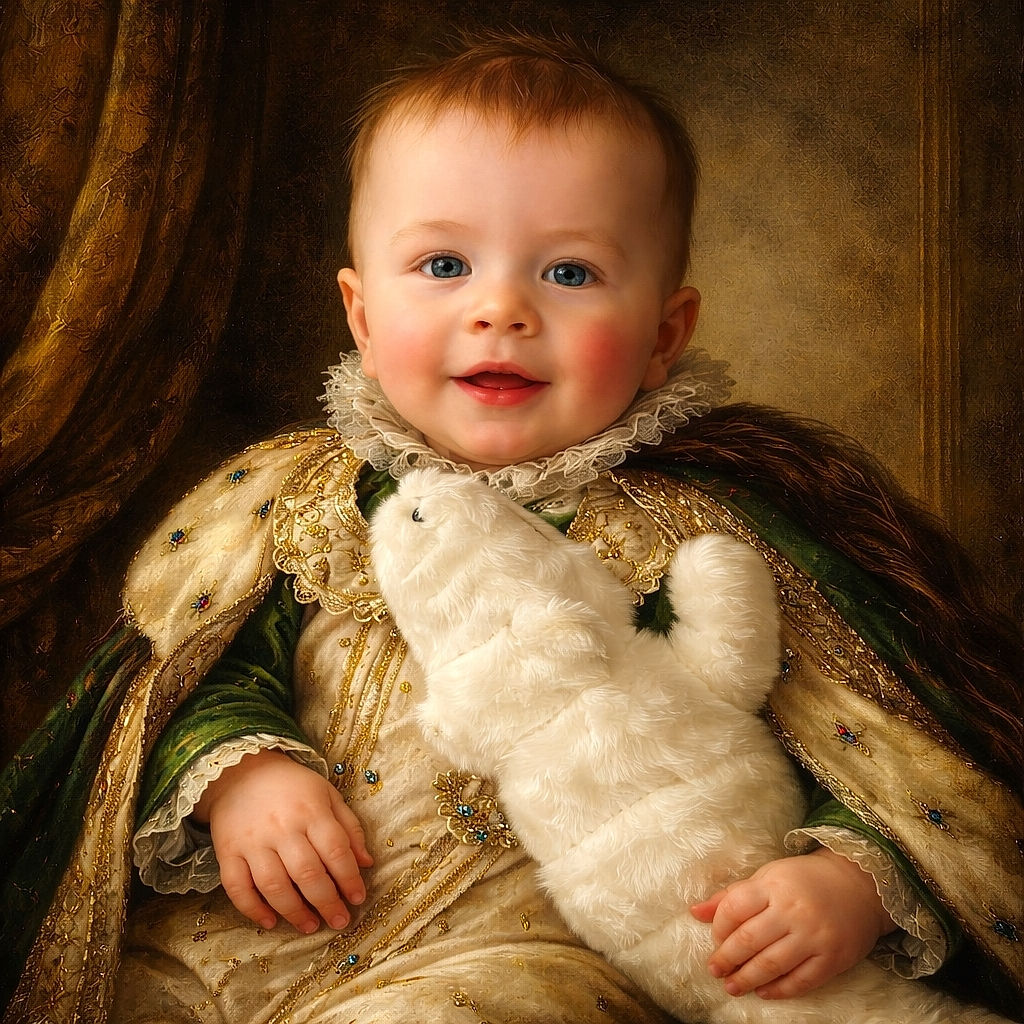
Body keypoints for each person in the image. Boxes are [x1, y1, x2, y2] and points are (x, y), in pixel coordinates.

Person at [2, 30, 1021, 1024]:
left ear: (663, 334)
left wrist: (844, 879)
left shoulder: (705, 537)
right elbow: (180, 678)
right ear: (362, 316)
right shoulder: (294, 504)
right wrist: (240, 773)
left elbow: (869, 751)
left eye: (568, 273)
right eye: (444, 264)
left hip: (534, 955)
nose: (501, 309)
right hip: (252, 936)